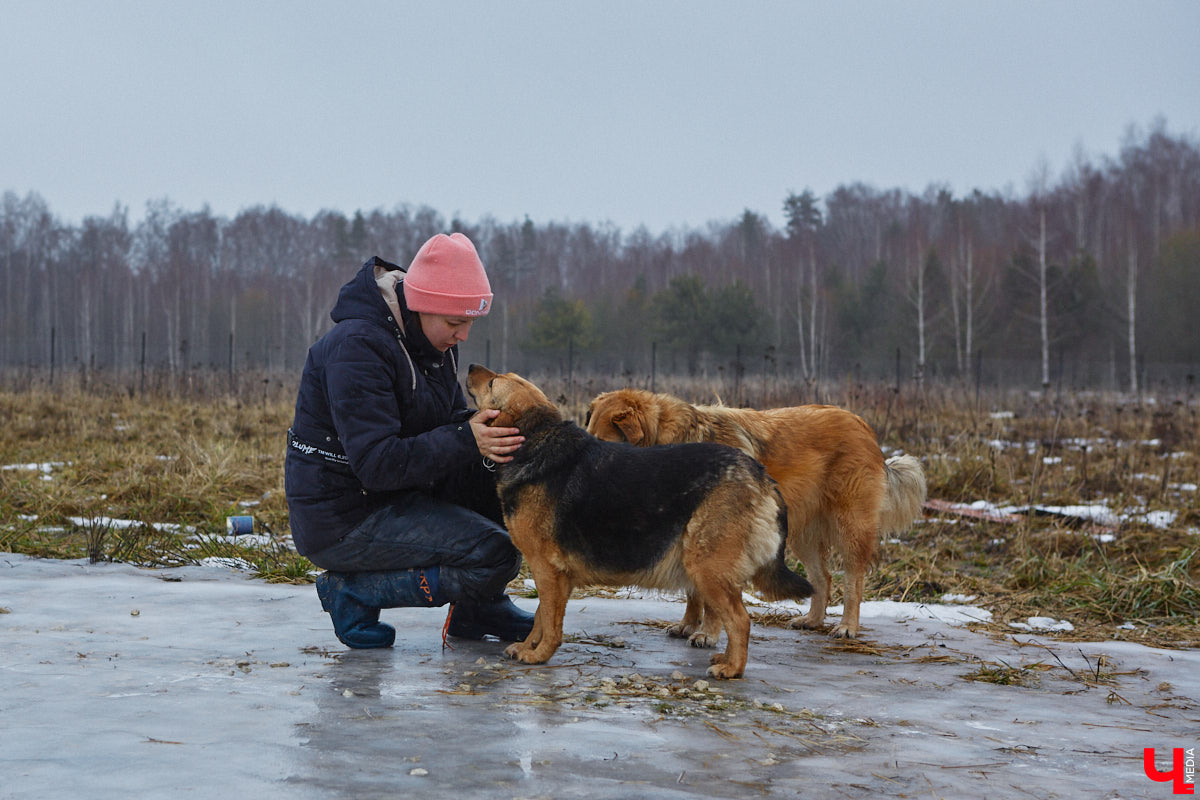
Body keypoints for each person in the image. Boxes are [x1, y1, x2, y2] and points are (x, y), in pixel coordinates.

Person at [285, 232, 534, 649]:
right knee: (495, 553)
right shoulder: (357, 348)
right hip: (344, 516)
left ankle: (478, 610)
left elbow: (447, 421)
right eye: (455, 323)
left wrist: (490, 433)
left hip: (398, 493)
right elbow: (377, 464)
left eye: (470, 323)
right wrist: (466, 438)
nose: (463, 336)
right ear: (420, 305)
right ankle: (353, 592)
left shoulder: (432, 341)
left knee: (507, 483)